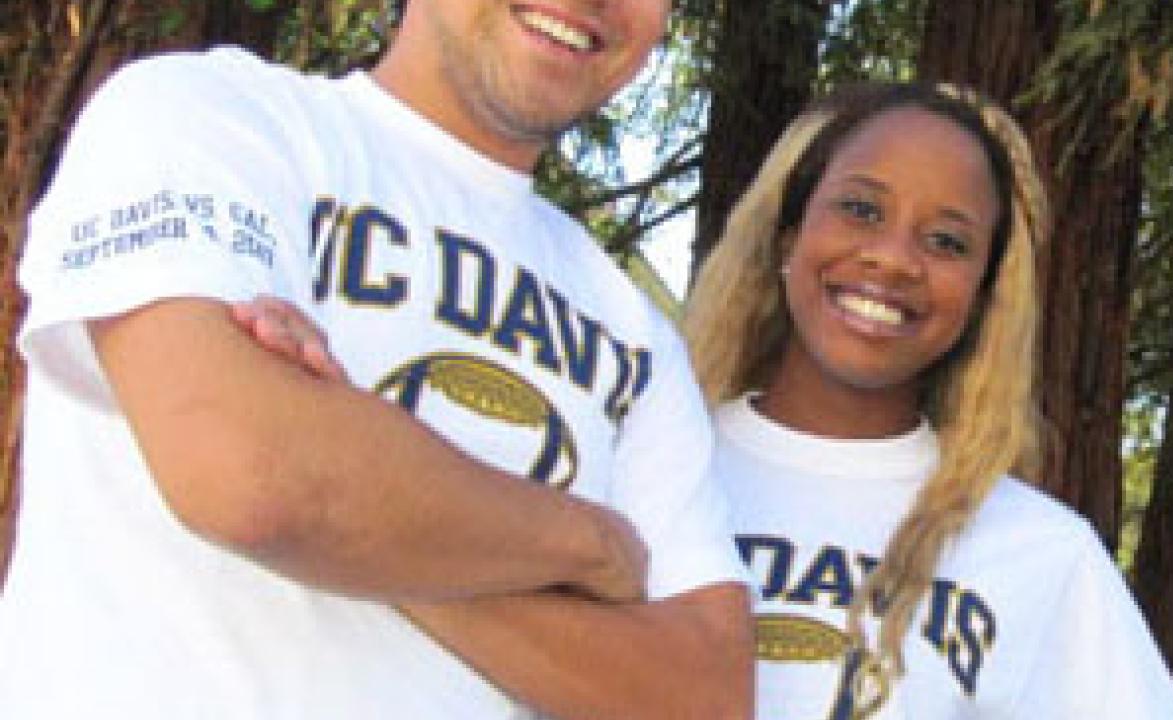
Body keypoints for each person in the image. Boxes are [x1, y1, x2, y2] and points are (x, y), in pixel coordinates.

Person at [0, 1, 753, 718]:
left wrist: (368, 500)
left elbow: (703, 695)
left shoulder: (632, 327)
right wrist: (589, 545)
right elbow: (250, 475)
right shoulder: (207, 116)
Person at [682, 82, 1173, 718]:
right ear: (789, 237)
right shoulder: (655, 464)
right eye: (861, 209)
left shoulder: (1043, 553)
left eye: (947, 242)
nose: (893, 259)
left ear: (981, 300)